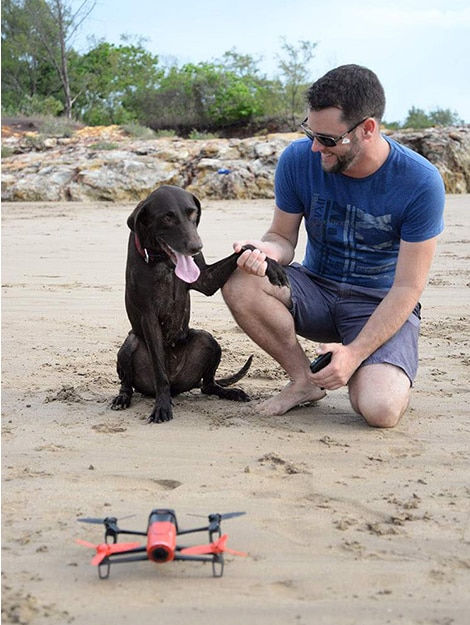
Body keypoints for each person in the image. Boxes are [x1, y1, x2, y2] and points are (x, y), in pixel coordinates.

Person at [221, 64, 445, 428]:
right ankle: (303, 381)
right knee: (240, 280)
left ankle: (378, 365)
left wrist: (354, 354)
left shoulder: (421, 182)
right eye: (310, 132)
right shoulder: (298, 159)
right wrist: (265, 252)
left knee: (381, 409)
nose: (314, 146)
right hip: (317, 290)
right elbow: (282, 239)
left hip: (378, 303)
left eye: (327, 139)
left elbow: (408, 287)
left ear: (367, 129)